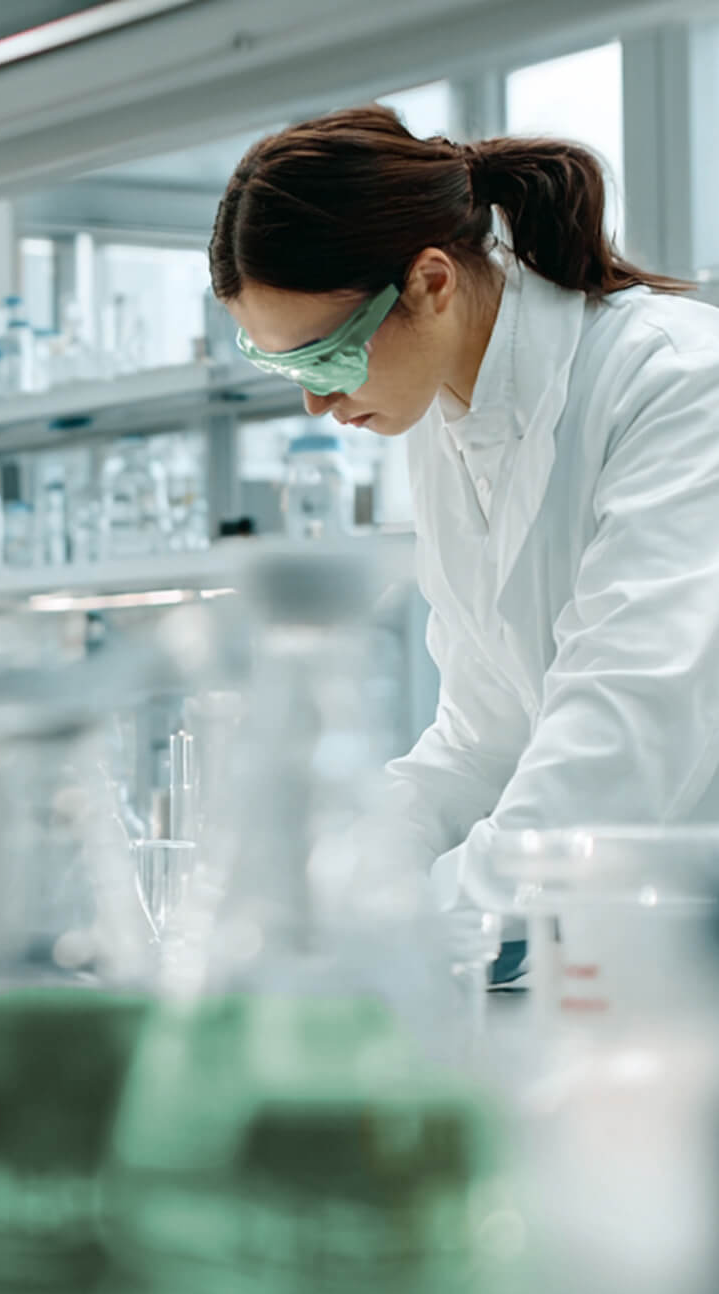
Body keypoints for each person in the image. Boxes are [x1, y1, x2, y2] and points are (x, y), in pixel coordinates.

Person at [209, 104, 719, 930]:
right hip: (614, 949)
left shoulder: (678, 384)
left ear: (432, 283)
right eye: (281, 365)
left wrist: (416, 932)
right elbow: (485, 740)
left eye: (327, 355)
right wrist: (340, 873)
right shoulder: (447, 420)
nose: (314, 399)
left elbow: (625, 733)